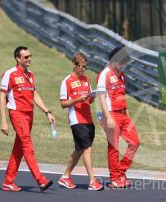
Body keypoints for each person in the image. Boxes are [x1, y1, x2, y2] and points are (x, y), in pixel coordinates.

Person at [0, 46, 54, 192]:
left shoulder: (30, 75)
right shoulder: (10, 74)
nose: (29, 59)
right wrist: (4, 121)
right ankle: (41, 180)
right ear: (18, 58)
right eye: (26, 57)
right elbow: (2, 97)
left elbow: (35, 94)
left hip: (29, 115)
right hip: (17, 114)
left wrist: (47, 112)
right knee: (28, 147)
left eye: (30, 56)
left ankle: (8, 181)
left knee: (19, 149)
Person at [58, 52, 103, 191]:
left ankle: (65, 176)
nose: (83, 69)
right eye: (81, 66)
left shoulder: (86, 79)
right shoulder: (67, 81)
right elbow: (63, 104)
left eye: (85, 67)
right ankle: (92, 181)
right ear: (74, 65)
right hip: (76, 119)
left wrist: (93, 96)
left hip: (88, 118)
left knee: (79, 149)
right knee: (87, 149)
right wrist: (77, 99)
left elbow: (88, 99)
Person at [97, 47, 140, 188]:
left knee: (134, 142)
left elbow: (122, 96)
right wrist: (108, 117)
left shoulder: (122, 75)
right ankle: (115, 178)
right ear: (114, 61)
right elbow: (101, 97)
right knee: (114, 147)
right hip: (112, 114)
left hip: (123, 114)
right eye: (121, 63)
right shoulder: (105, 74)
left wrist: (128, 116)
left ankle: (121, 171)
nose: (123, 66)